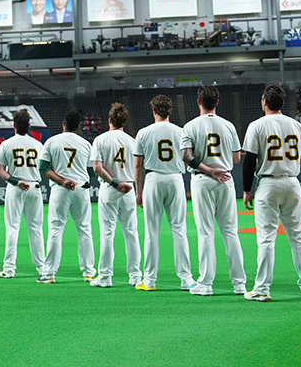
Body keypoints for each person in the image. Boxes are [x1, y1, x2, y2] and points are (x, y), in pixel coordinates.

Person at [241, 85, 301, 302]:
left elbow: (249, 162)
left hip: (268, 183)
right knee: (298, 237)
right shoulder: (297, 125)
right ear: (282, 103)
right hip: (292, 183)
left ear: (264, 101)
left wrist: (247, 190)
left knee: (266, 239)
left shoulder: (256, 125)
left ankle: (262, 289)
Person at [181, 85, 247, 296]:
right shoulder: (228, 126)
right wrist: (219, 167)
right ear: (217, 102)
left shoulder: (190, 126)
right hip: (225, 179)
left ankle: (206, 283)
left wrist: (209, 170)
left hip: (202, 179)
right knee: (230, 232)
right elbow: (237, 158)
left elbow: (186, 157)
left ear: (198, 102)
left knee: (205, 232)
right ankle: (239, 284)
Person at [134, 95, 195, 291]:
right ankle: (186, 279)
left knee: (152, 231)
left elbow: (137, 165)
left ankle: (149, 280)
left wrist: (138, 190)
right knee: (179, 230)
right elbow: (187, 158)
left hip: (153, 179)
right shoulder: (181, 131)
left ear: (154, 111)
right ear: (170, 111)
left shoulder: (143, 133)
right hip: (175, 178)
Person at [38, 110, 96, 284]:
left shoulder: (51, 142)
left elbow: (43, 168)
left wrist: (63, 181)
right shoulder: (85, 144)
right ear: (78, 126)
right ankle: (88, 273)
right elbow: (91, 171)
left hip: (60, 189)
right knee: (84, 230)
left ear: (64, 123)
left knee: (55, 230)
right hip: (81, 189)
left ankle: (49, 273)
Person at [90, 103, 141, 288]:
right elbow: (138, 166)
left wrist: (114, 183)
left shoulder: (101, 139)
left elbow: (96, 167)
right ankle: (135, 276)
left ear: (110, 120)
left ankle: (105, 277)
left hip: (110, 189)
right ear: (124, 122)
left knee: (107, 234)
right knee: (131, 234)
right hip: (128, 188)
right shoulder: (132, 141)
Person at [0, 109, 46, 280]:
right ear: (29, 126)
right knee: (36, 229)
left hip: (16, 187)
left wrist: (17, 182)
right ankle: (42, 268)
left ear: (14, 125)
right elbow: (45, 167)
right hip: (34, 186)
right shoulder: (38, 145)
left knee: (12, 228)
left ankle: (9, 269)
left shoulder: (6, 144)